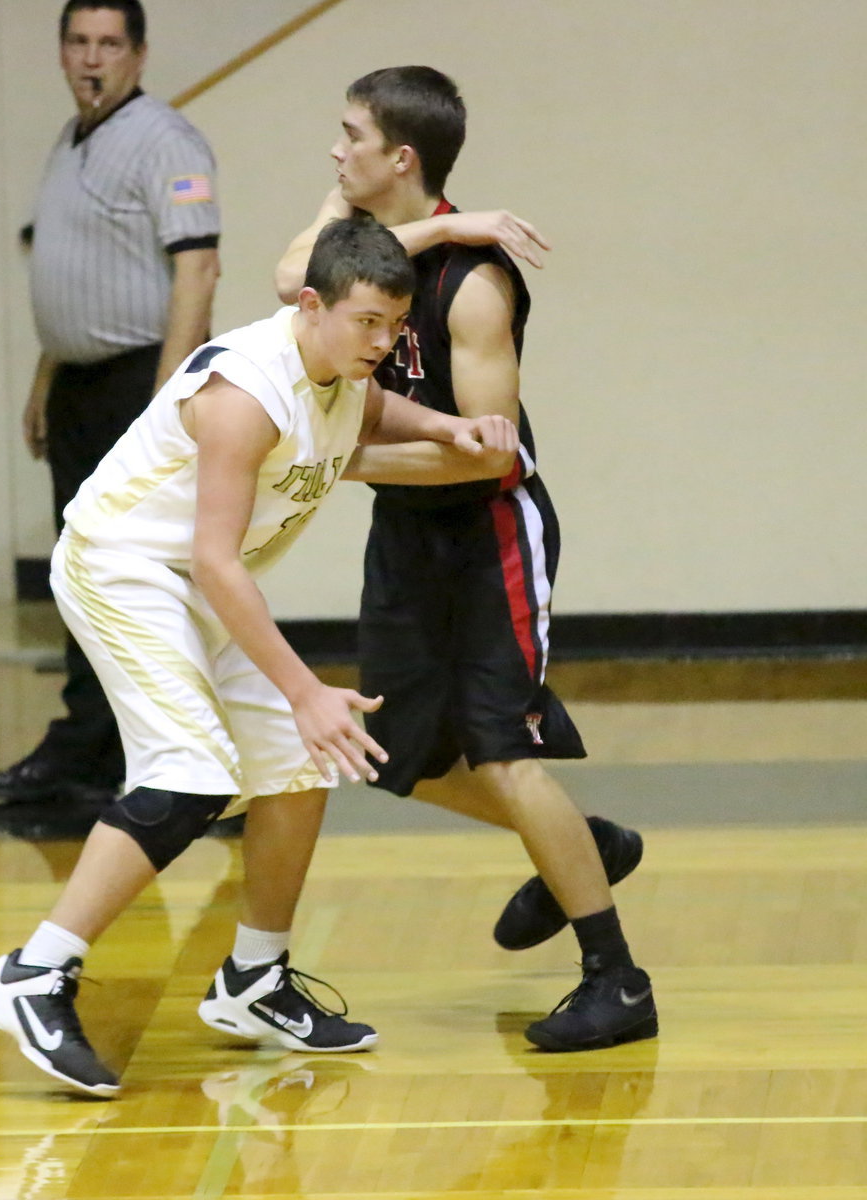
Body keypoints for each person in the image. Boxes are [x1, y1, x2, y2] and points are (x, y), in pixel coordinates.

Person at [0, 216, 520, 1097]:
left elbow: (370, 408)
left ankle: (254, 980)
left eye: (393, 327)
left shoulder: (340, 368)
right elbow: (220, 563)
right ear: (312, 304)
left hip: (190, 585)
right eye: (366, 322)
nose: (382, 343)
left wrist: (449, 429)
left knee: (300, 765)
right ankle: (33, 974)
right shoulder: (246, 396)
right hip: (125, 570)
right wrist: (304, 688)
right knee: (188, 773)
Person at [274, 66, 655, 1052]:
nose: (333, 150)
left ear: (398, 158)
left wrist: (339, 459)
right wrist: (431, 222)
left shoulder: (475, 285)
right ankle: (583, 841)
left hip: (487, 531)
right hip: (405, 536)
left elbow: (484, 447)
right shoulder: (369, 249)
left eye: (348, 135)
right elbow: (291, 281)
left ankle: (616, 979)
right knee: (393, 756)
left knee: (501, 747)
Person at [0, 0, 221, 812]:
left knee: (144, 577)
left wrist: (166, 403)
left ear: (139, 56)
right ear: (60, 53)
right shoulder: (70, 140)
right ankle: (90, 748)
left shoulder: (166, 141)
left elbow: (197, 271)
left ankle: (207, 766)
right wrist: (46, 380)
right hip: (82, 386)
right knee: (81, 573)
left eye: (109, 44)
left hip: (136, 384)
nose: (92, 58)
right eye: (78, 42)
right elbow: (73, 268)